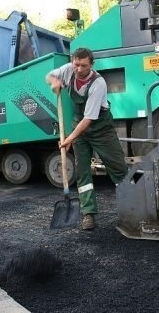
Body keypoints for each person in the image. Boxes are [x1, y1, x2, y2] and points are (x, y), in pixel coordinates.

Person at [46, 47, 129, 230]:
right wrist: (55, 82)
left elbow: (89, 119)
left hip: (100, 127)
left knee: (119, 168)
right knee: (82, 170)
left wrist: (69, 139)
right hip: (79, 124)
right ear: (73, 62)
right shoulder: (69, 69)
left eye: (84, 65)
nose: (79, 69)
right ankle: (88, 214)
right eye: (77, 64)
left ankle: (134, 207)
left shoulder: (98, 83)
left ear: (91, 64)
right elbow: (50, 76)